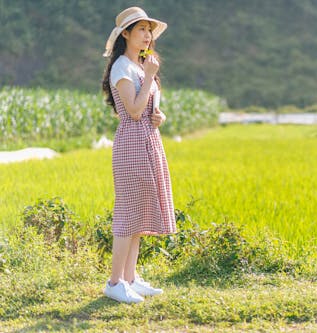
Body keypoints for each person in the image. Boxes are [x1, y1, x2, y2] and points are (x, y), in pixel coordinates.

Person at [101, 7, 177, 303]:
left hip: (148, 140)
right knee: (127, 215)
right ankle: (114, 282)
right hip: (132, 143)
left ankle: (130, 278)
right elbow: (132, 111)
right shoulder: (123, 67)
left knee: (140, 213)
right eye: (141, 30)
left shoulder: (141, 67)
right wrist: (148, 77)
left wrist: (159, 116)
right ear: (125, 34)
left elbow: (146, 110)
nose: (147, 36)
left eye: (149, 30)